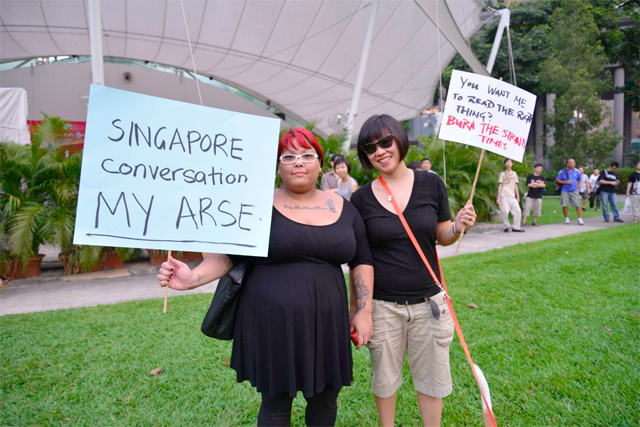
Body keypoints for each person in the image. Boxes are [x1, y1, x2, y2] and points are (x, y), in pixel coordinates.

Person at [157, 128, 374, 427]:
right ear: (278, 166)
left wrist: (363, 311)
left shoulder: (345, 209)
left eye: (307, 155)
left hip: (327, 321)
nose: (298, 162)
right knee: (276, 402)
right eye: (289, 156)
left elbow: (362, 260)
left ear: (320, 164)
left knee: (326, 398)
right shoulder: (256, 205)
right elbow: (229, 256)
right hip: (271, 321)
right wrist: (192, 278)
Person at [350, 114, 477, 427]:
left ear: (399, 140)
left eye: (385, 142)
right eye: (370, 147)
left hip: (429, 305)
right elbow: (358, 260)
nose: (379, 151)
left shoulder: (431, 183)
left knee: (432, 379)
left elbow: (441, 236)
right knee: (384, 378)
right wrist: (360, 310)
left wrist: (458, 227)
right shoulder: (360, 199)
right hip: (383, 307)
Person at [497, 158, 524, 232]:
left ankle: (516, 227)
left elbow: (516, 185)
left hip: (512, 196)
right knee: (505, 211)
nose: (509, 163)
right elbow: (500, 185)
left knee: (518, 211)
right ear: (505, 164)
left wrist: (518, 196)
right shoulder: (502, 174)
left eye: (510, 162)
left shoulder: (515, 174)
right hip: (504, 194)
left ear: (512, 164)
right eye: (507, 162)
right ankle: (506, 226)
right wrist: (498, 197)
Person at [555, 158, 584, 225]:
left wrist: (578, 186)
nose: (573, 164)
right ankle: (566, 219)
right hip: (565, 190)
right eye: (571, 163)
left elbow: (580, 179)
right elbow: (557, 180)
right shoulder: (562, 171)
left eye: (574, 162)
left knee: (578, 205)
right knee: (564, 205)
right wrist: (565, 182)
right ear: (567, 164)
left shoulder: (576, 171)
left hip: (574, 190)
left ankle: (580, 219)